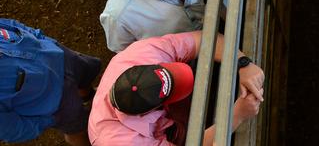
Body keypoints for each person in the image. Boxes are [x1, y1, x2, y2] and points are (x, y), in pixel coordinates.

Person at [88, 31, 264, 145]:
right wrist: (236, 116)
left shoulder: (142, 53)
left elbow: (204, 39)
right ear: (153, 109)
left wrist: (243, 63)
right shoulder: (123, 142)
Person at [0, 18, 101, 146]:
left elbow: (12, 26)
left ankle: (89, 96)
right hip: (58, 104)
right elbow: (13, 130)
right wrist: (50, 119)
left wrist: (41, 38)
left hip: (58, 54)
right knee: (78, 130)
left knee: (87, 73)